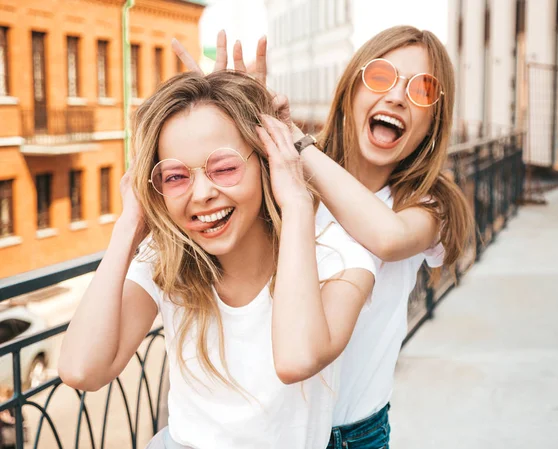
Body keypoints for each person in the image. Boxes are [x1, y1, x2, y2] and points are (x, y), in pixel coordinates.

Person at [175, 24, 474, 449]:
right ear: (352, 89)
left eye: (422, 89)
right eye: (381, 76)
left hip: (351, 436)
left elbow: (385, 236)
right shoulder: (291, 178)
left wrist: (294, 140)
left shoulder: (427, 205)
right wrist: (224, 112)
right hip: (270, 432)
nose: (395, 97)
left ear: (433, 122)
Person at [58, 70, 377, 449]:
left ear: (267, 163)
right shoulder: (166, 261)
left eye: (224, 168)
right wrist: (129, 228)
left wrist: (295, 203)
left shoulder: (338, 258)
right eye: (176, 176)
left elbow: (296, 359)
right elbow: (81, 370)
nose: (202, 194)